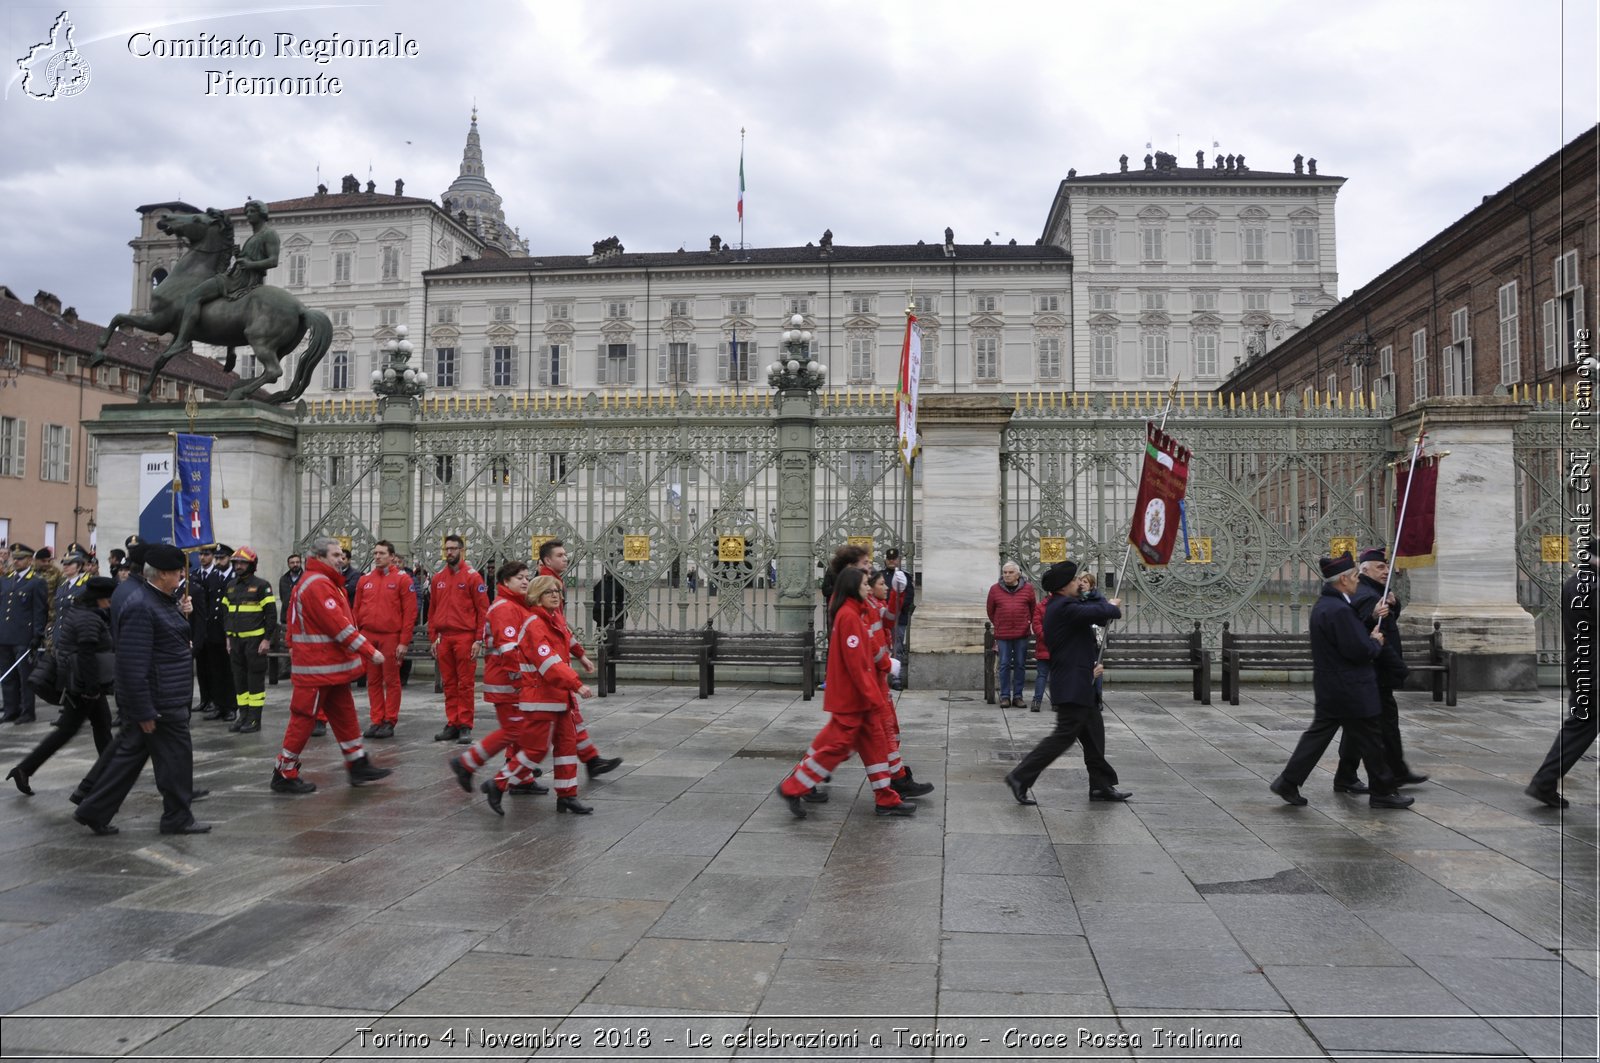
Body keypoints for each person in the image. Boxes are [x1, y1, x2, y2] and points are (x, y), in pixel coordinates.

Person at [73, 544, 210, 835]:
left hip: (163, 696)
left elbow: (169, 640)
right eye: (177, 572)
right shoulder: (142, 606)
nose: (180, 577)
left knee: (128, 759)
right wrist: (145, 709)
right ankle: (177, 818)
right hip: (160, 701)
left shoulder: (161, 599)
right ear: (161, 574)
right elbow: (133, 664)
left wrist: (184, 614)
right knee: (176, 760)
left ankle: (93, 810)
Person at [1268, 553, 1413, 810]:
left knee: (1318, 737)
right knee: (1371, 740)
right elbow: (1357, 650)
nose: (1358, 581)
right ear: (1344, 580)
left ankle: (1288, 781)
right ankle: (1382, 791)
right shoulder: (1338, 610)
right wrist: (1374, 643)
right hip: (1351, 688)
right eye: (1356, 576)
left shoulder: (1326, 606)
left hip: (1332, 686)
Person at [776, 567, 915, 818]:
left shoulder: (854, 612)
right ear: (854, 588)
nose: (868, 587)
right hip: (854, 699)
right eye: (864, 584)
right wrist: (872, 696)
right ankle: (793, 787)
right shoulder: (849, 615)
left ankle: (886, 798)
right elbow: (857, 664)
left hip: (860, 696)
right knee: (836, 747)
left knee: (874, 746)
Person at [270, 536, 393, 794]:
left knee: (345, 714)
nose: (341, 559)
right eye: (336, 555)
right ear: (320, 557)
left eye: (341, 555)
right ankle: (284, 770)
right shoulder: (317, 584)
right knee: (303, 719)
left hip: (329, 667)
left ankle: (357, 762)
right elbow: (339, 626)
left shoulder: (323, 582)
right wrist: (370, 652)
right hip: (317, 669)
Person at [1004, 561, 1127, 805]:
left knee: (1094, 736)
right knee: (1063, 737)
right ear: (1063, 587)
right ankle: (1020, 776)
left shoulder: (1068, 605)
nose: (1078, 583)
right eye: (1073, 581)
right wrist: (1109, 605)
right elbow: (1106, 613)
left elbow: (1097, 615)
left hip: (1081, 681)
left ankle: (1101, 785)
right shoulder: (1063, 608)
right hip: (1072, 685)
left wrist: (1099, 602)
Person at [7, 576, 117, 795]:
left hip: (78, 680)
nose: (111, 603)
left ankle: (109, 772)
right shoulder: (89, 618)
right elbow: (86, 654)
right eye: (109, 599)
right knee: (69, 730)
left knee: (102, 724)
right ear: (100, 598)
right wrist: (92, 688)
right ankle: (25, 769)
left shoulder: (82, 611)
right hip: (81, 683)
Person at [1333, 548, 1428, 793]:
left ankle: (1350, 775)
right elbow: (1363, 627)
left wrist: (1393, 607)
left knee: (1365, 726)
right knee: (1379, 726)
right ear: (1364, 570)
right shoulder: (1366, 595)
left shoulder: (1376, 591)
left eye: (1386, 567)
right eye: (1380, 567)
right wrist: (1374, 615)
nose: (1387, 571)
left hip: (1375, 674)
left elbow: (1384, 622)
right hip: (1374, 672)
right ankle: (1390, 775)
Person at [452, 561, 549, 800]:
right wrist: (521, 682)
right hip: (507, 682)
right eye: (519, 578)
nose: (526, 581)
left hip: (512, 681)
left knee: (523, 730)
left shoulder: (517, 605)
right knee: (515, 730)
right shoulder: (505, 607)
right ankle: (467, 762)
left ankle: (522, 778)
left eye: (527, 577)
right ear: (505, 582)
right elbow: (509, 651)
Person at [537, 539, 622, 777]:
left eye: (565, 554)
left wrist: (579, 654)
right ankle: (516, 769)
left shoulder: (555, 582)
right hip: (551, 662)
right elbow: (553, 627)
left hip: (557, 659)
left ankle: (590, 759)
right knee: (541, 724)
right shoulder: (546, 585)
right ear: (547, 560)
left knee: (568, 716)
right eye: (560, 555)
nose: (565, 558)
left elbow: (561, 626)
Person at [1526, 545, 1599, 807]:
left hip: (1582, 666)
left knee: (1579, 726)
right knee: (1579, 727)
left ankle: (1544, 782)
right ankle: (1544, 782)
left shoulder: (1575, 582)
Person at [163, 199, 279, 358]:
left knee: (194, 296)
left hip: (242, 279)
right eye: (247, 212)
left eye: (253, 211)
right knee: (225, 310)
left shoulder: (269, 234)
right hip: (240, 275)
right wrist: (240, 256)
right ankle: (230, 349)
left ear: (262, 213)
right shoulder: (255, 236)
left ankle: (182, 341)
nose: (249, 215)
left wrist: (249, 264)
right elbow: (252, 258)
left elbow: (273, 261)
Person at [868, 569, 932, 799]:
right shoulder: (861, 608)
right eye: (881, 584)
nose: (885, 586)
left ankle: (897, 779)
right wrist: (886, 663)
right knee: (843, 742)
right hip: (869, 683)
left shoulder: (875, 604)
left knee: (888, 733)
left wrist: (898, 593)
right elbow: (868, 644)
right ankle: (803, 780)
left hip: (877, 681)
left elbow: (890, 618)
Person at [427, 534, 488, 744]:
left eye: (453, 548)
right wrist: (433, 637)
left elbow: (482, 610)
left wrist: (478, 639)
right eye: (447, 549)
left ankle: (465, 725)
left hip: (464, 637)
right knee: (450, 683)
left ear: (462, 551)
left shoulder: (472, 577)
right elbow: (432, 610)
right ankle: (452, 722)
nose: (449, 552)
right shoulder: (438, 579)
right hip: (444, 638)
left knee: (466, 683)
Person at [354, 541, 417, 739]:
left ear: (391, 556)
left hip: (391, 636)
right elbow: (356, 609)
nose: (377, 556)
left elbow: (410, 613)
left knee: (391, 680)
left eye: (382, 553)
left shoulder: (402, 579)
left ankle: (390, 720)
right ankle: (376, 719)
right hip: (369, 636)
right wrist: (358, 636)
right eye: (375, 553)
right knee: (372, 680)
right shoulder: (365, 580)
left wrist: (404, 641)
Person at [222, 546, 277, 735]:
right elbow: (226, 614)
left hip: (255, 642)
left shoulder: (262, 585)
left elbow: (271, 615)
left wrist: (267, 640)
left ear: (251, 564)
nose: (238, 565)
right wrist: (228, 637)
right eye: (236, 562)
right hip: (236, 642)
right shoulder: (230, 585)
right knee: (239, 681)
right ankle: (243, 716)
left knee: (254, 681)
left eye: (242, 562)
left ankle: (254, 719)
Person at [0, 543, 48, 724]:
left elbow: (39, 610)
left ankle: (27, 711)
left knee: (24, 676)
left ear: (29, 560)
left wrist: (37, 635)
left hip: (23, 636)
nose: (16, 562)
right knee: (7, 675)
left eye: (20, 559)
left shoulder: (36, 582)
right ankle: (11, 709)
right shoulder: (6, 580)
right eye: (15, 558)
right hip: (5, 635)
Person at [192, 544, 236, 721]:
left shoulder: (234, 578)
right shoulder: (213, 577)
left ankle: (231, 706)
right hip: (212, 631)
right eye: (217, 558)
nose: (218, 561)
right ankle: (219, 705)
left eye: (222, 558)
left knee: (228, 671)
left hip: (227, 631)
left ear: (230, 558)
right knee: (215, 670)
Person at [987, 562, 1035, 708]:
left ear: (1018, 574)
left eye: (1010, 572)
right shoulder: (995, 589)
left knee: (1020, 664)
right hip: (1003, 634)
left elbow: (1033, 608)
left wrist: (1027, 622)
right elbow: (990, 610)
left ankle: (1018, 696)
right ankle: (1005, 696)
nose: (1007, 575)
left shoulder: (1028, 589)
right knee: (1004, 664)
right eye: (1005, 572)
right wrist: (999, 623)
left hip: (1022, 633)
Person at [273, 552, 304, 681]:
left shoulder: (305, 577)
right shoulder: (284, 579)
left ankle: (300, 671)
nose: (295, 565)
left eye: (297, 562)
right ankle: (285, 670)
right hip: (287, 616)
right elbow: (285, 598)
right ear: (288, 564)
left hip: (302, 618)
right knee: (286, 644)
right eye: (292, 563)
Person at [884, 547, 915, 667]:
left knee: (897, 647)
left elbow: (909, 596)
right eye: (889, 559)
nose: (891, 561)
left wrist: (897, 609)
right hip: (884, 617)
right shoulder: (881, 575)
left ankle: (897, 676)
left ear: (899, 560)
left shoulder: (905, 576)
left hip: (899, 618)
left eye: (894, 559)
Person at [592, 564, 626, 632]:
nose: (607, 569)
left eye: (610, 566)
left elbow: (625, 600)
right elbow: (594, 596)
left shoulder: (620, 582)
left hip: (615, 619)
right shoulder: (602, 581)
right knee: (601, 640)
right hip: (601, 618)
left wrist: (616, 613)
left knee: (615, 640)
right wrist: (596, 612)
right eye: (606, 567)